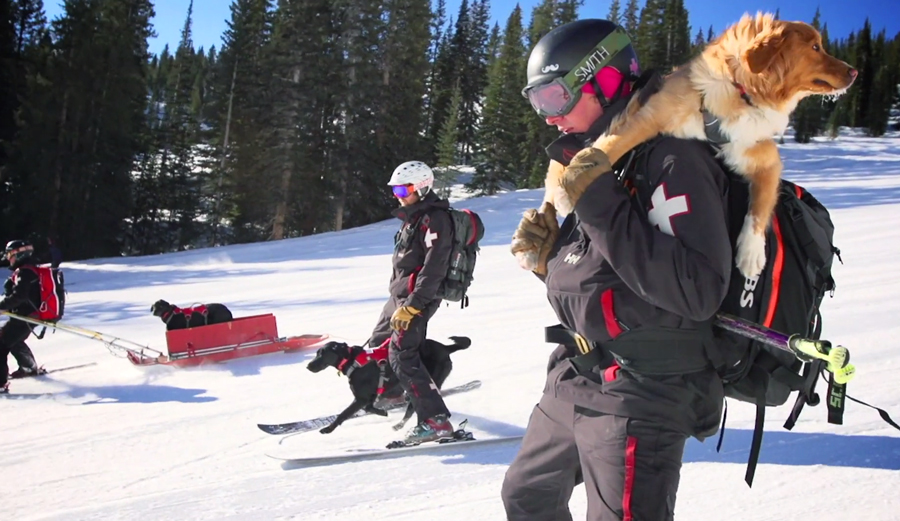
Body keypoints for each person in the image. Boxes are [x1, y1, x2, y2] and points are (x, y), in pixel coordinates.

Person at [503, 19, 733, 521]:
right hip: (576, 372)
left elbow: (697, 290)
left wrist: (599, 202)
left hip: (643, 388)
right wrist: (549, 263)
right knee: (527, 496)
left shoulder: (672, 156)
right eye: (537, 101)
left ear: (605, 79)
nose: (548, 117)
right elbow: (607, 272)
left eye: (555, 97)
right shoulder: (602, 158)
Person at [367, 161, 455, 444]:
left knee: (402, 354)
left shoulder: (435, 220)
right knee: (379, 342)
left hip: (417, 298)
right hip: (399, 296)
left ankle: (435, 421)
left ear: (422, 187)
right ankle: (393, 392)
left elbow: (434, 267)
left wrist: (414, 304)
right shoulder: (414, 218)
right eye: (394, 189)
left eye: (403, 189)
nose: (398, 195)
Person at [0, 240, 43, 394]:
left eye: (10, 254)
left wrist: (2, 306)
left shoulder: (25, 272)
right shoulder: (29, 269)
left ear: (18, 255)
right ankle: (28, 366)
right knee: (10, 338)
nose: (8, 258)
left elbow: (20, 296)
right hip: (29, 315)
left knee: (2, 343)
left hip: (26, 316)